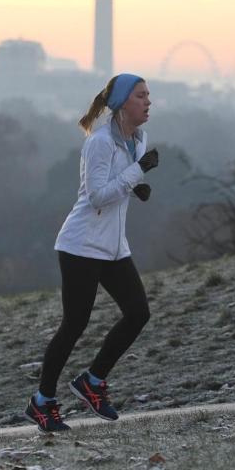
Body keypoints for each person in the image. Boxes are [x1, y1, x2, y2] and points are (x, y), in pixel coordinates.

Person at [25, 73, 159, 433]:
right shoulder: (99, 143)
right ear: (121, 104)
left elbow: (118, 187)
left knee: (137, 313)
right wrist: (137, 173)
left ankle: (93, 381)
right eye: (141, 96)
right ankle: (43, 402)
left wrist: (136, 187)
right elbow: (97, 196)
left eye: (148, 96)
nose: (148, 102)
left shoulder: (139, 140)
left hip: (114, 247)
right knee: (74, 325)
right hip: (81, 245)